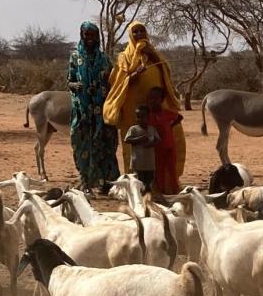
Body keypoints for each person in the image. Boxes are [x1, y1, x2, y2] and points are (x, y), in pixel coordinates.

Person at [103, 21, 186, 180]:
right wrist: (136, 73)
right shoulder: (124, 57)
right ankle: (134, 184)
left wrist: (152, 55)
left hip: (155, 108)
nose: (139, 34)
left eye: (141, 31)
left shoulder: (155, 55)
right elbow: (118, 83)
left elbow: (167, 74)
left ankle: (162, 182)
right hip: (134, 110)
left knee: (160, 143)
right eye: (135, 32)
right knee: (135, 146)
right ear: (130, 35)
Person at [67, 22, 120, 192]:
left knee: (106, 145)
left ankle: (107, 184)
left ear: (97, 37)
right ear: (81, 35)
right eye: (86, 34)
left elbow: (113, 80)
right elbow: (70, 80)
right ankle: (86, 183)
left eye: (93, 35)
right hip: (83, 110)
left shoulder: (104, 58)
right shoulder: (75, 57)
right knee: (80, 142)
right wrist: (75, 85)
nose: (89, 38)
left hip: (102, 110)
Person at [145, 86, 183, 194]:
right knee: (159, 170)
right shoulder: (147, 116)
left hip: (170, 146)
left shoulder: (166, 113)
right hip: (156, 149)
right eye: (150, 98)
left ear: (162, 100)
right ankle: (160, 191)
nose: (153, 101)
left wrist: (169, 126)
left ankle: (175, 189)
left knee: (172, 169)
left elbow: (179, 117)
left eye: (156, 98)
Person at [123, 104, 159, 190]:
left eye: (143, 117)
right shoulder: (133, 129)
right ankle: (140, 197)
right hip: (138, 162)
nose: (140, 119)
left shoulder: (152, 129)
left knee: (149, 180)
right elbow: (127, 140)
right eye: (138, 117)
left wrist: (151, 144)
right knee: (139, 181)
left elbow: (158, 140)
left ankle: (147, 196)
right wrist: (139, 139)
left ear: (148, 117)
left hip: (149, 162)